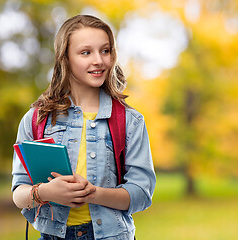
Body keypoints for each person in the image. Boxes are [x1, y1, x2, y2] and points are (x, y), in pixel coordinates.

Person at [11, 14, 156, 240]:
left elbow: (141, 194)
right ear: (65, 59)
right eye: (86, 52)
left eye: (105, 51)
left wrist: (93, 193)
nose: (99, 60)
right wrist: (45, 192)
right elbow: (19, 193)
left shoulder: (130, 121)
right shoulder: (37, 119)